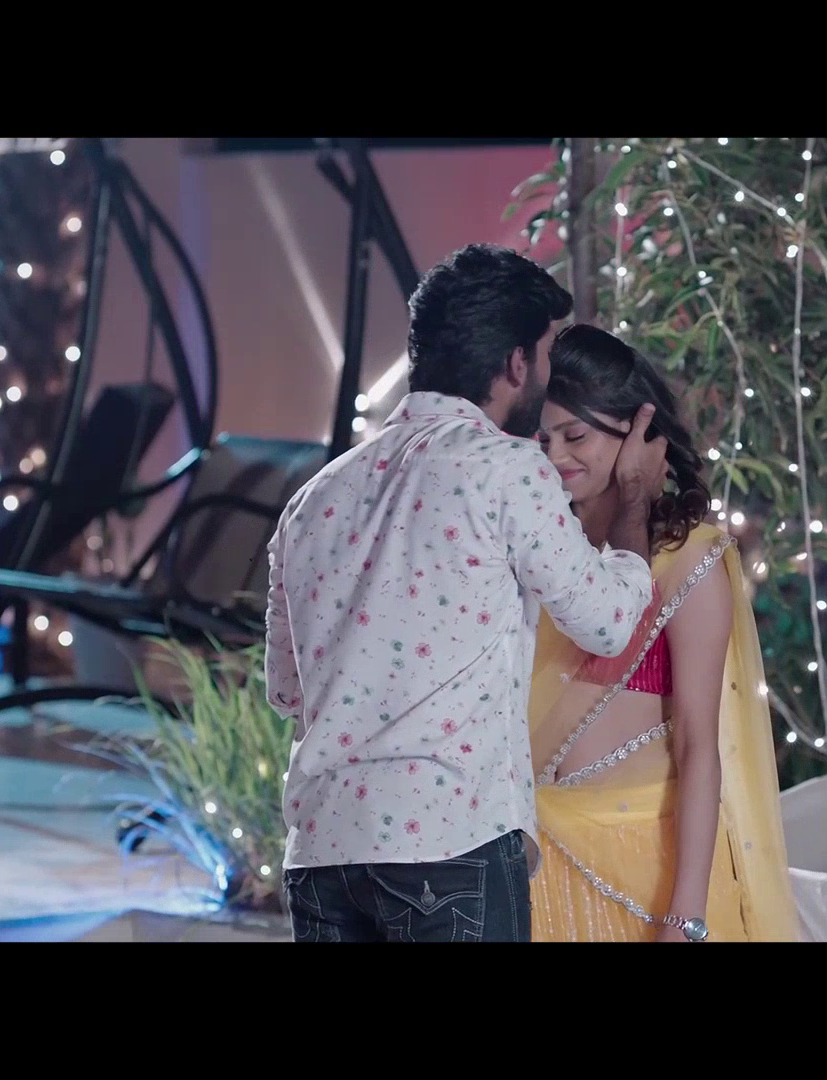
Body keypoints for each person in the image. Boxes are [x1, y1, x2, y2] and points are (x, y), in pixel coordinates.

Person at [265, 244, 669, 942]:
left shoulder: (313, 499)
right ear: (517, 364)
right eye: (546, 355)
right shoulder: (504, 469)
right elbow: (607, 623)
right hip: (446, 847)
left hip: (322, 854)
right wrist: (633, 500)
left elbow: (286, 691)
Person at [526, 324, 798, 942]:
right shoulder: (545, 550)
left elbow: (700, 745)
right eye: (543, 439)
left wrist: (685, 916)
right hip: (536, 867)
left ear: (639, 435)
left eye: (576, 436)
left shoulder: (686, 559)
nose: (556, 457)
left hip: (644, 873)